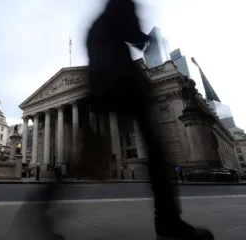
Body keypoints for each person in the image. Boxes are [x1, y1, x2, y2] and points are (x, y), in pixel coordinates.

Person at [86, 0, 214, 239]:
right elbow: (131, 33)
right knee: (155, 150)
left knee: (88, 154)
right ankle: (167, 221)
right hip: (125, 84)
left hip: (103, 86)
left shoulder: (96, 24)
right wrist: (144, 39)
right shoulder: (119, 6)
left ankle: (42, 205)